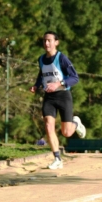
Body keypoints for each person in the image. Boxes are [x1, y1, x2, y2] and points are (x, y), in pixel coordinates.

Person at [30, 31, 86, 170]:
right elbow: (41, 74)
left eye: (49, 40)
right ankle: (57, 158)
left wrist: (58, 84)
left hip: (63, 96)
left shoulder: (62, 58)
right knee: (48, 125)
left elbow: (75, 78)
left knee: (66, 132)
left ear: (56, 42)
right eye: (44, 40)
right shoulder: (41, 59)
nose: (46, 43)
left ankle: (75, 122)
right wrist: (36, 85)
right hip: (49, 97)